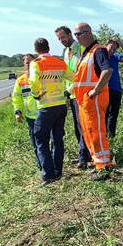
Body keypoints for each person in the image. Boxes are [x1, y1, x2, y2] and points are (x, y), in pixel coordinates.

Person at [72, 22, 115, 180]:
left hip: (94, 100)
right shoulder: (86, 53)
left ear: (89, 32)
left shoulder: (98, 50)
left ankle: (104, 168)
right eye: (75, 35)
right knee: (89, 133)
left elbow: (107, 71)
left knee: (97, 133)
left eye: (79, 34)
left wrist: (95, 91)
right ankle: (99, 164)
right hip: (85, 101)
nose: (77, 37)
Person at [29, 38, 72, 185]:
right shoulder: (60, 63)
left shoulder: (36, 63)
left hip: (46, 107)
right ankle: (58, 171)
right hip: (61, 106)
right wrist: (68, 92)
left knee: (41, 140)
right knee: (58, 139)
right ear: (48, 48)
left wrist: (36, 95)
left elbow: (33, 81)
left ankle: (48, 175)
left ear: (36, 50)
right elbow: (74, 77)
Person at [55, 25, 91, 169]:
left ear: (70, 35)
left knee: (83, 126)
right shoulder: (66, 52)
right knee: (77, 127)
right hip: (72, 94)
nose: (61, 40)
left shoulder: (81, 48)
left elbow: (80, 74)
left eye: (63, 37)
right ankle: (84, 154)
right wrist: (67, 93)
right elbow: (66, 74)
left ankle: (84, 157)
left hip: (81, 93)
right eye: (59, 39)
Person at [11, 54, 40, 169]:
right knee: (35, 144)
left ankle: (50, 164)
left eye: (31, 62)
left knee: (50, 142)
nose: (28, 64)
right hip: (31, 118)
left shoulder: (42, 76)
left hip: (45, 115)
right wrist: (18, 112)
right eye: (26, 62)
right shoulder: (20, 81)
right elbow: (16, 98)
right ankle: (41, 165)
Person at [105, 38, 123, 139]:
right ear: (106, 44)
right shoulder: (100, 56)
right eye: (111, 48)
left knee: (113, 115)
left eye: (114, 49)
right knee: (105, 114)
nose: (112, 51)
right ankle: (104, 138)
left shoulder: (115, 56)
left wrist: (121, 44)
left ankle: (111, 137)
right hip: (105, 89)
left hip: (116, 89)